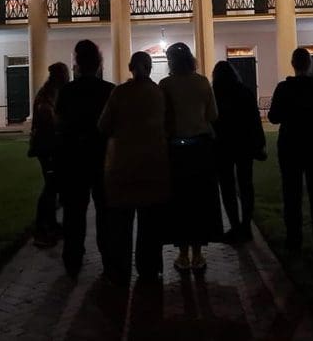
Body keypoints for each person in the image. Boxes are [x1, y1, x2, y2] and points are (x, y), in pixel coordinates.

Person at [97, 51, 169, 283]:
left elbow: (103, 125)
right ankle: (149, 267)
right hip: (153, 164)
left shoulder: (119, 93)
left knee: (121, 223)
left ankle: (121, 268)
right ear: (149, 67)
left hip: (123, 164)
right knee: (150, 223)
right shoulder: (158, 93)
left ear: (130, 67)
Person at [268, 47, 313, 255]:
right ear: (309, 64)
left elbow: (274, 117)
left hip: (290, 146)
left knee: (291, 195)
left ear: (293, 64)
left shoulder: (284, 88)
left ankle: (294, 241)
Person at [159, 42, 221, 271]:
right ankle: (197, 254)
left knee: (179, 202)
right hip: (200, 149)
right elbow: (213, 114)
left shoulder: (165, 85)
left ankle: (183, 255)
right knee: (200, 201)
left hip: (176, 150)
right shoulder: (202, 82)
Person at [56, 40, 116, 276]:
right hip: (101, 158)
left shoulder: (67, 91)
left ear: (77, 63)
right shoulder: (109, 90)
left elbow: (60, 124)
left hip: (74, 158)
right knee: (105, 211)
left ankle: (73, 258)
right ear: (99, 63)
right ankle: (108, 257)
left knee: (74, 212)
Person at [211, 60, 266, 243]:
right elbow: (254, 119)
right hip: (244, 144)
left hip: (223, 146)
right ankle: (246, 226)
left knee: (227, 188)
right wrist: (259, 143)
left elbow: (211, 120)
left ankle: (235, 227)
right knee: (246, 185)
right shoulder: (244, 91)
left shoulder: (215, 93)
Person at [28, 62, 70, 248]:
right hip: (47, 146)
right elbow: (47, 117)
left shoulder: (51, 92)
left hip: (48, 145)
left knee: (53, 185)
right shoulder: (48, 95)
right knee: (51, 187)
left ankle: (51, 224)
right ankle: (41, 229)